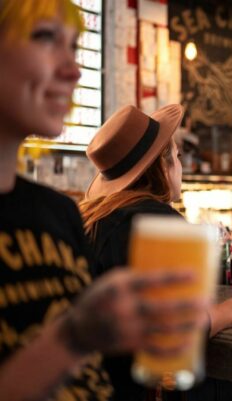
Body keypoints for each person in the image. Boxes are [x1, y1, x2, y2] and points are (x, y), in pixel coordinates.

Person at [0, 1, 209, 400]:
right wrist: (76, 335)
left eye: (74, 46)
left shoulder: (59, 214)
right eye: (45, 38)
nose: (75, 70)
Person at [79, 104, 232, 401]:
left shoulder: (94, 220)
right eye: (176, 156)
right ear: (162, 167)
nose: (181, 165)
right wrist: (229, 313)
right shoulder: (157, 220)